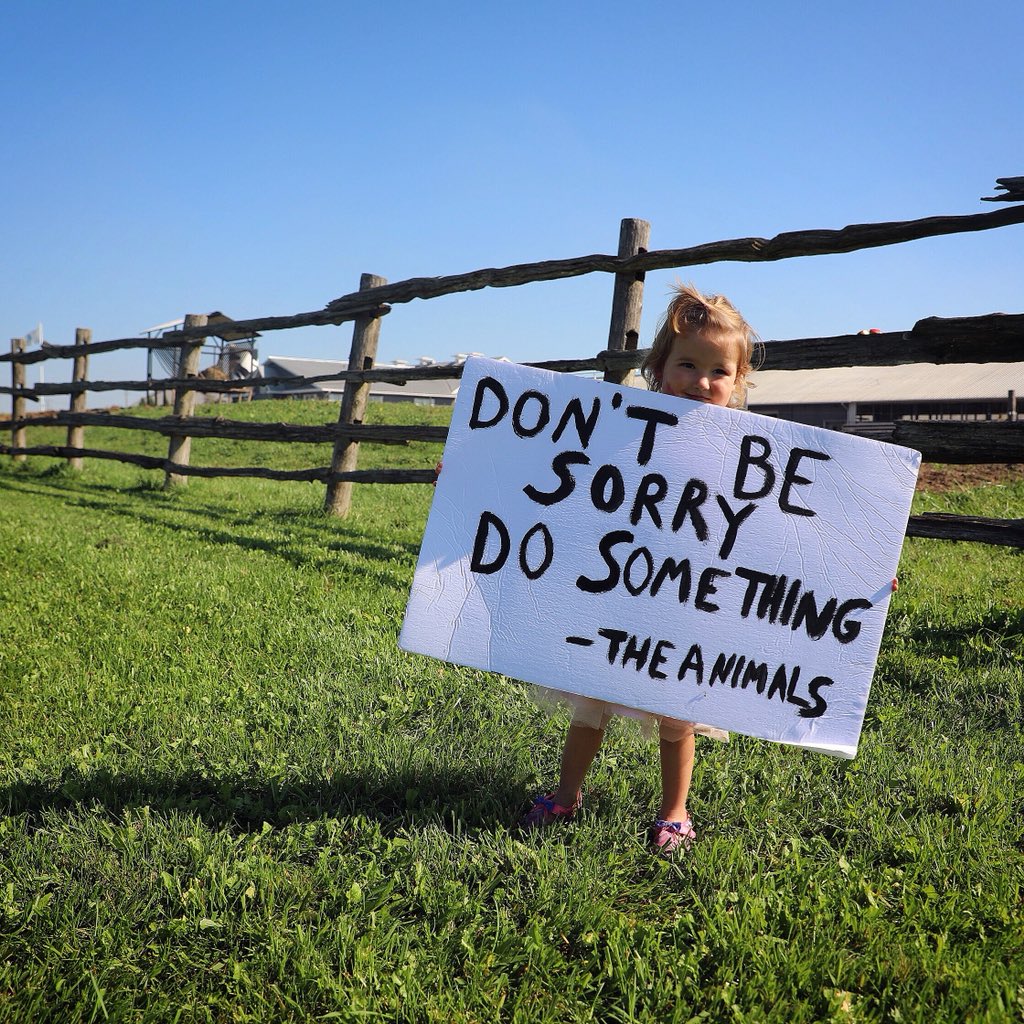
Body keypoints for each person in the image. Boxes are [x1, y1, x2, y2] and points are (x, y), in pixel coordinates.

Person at [520, 282, 761, 854]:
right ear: (658, 368)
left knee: (678, 719)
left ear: (739, 381)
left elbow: (779, 534)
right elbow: (555, 478)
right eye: (687, 364)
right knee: (589, 706)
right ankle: (565, 794)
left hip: (687, 608)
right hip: (615, 597)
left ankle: (674, 811)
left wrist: (853, 577)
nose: (702, 381)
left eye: (719, 371)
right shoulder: (619, 429)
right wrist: (472, 477)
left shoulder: (749, 452)